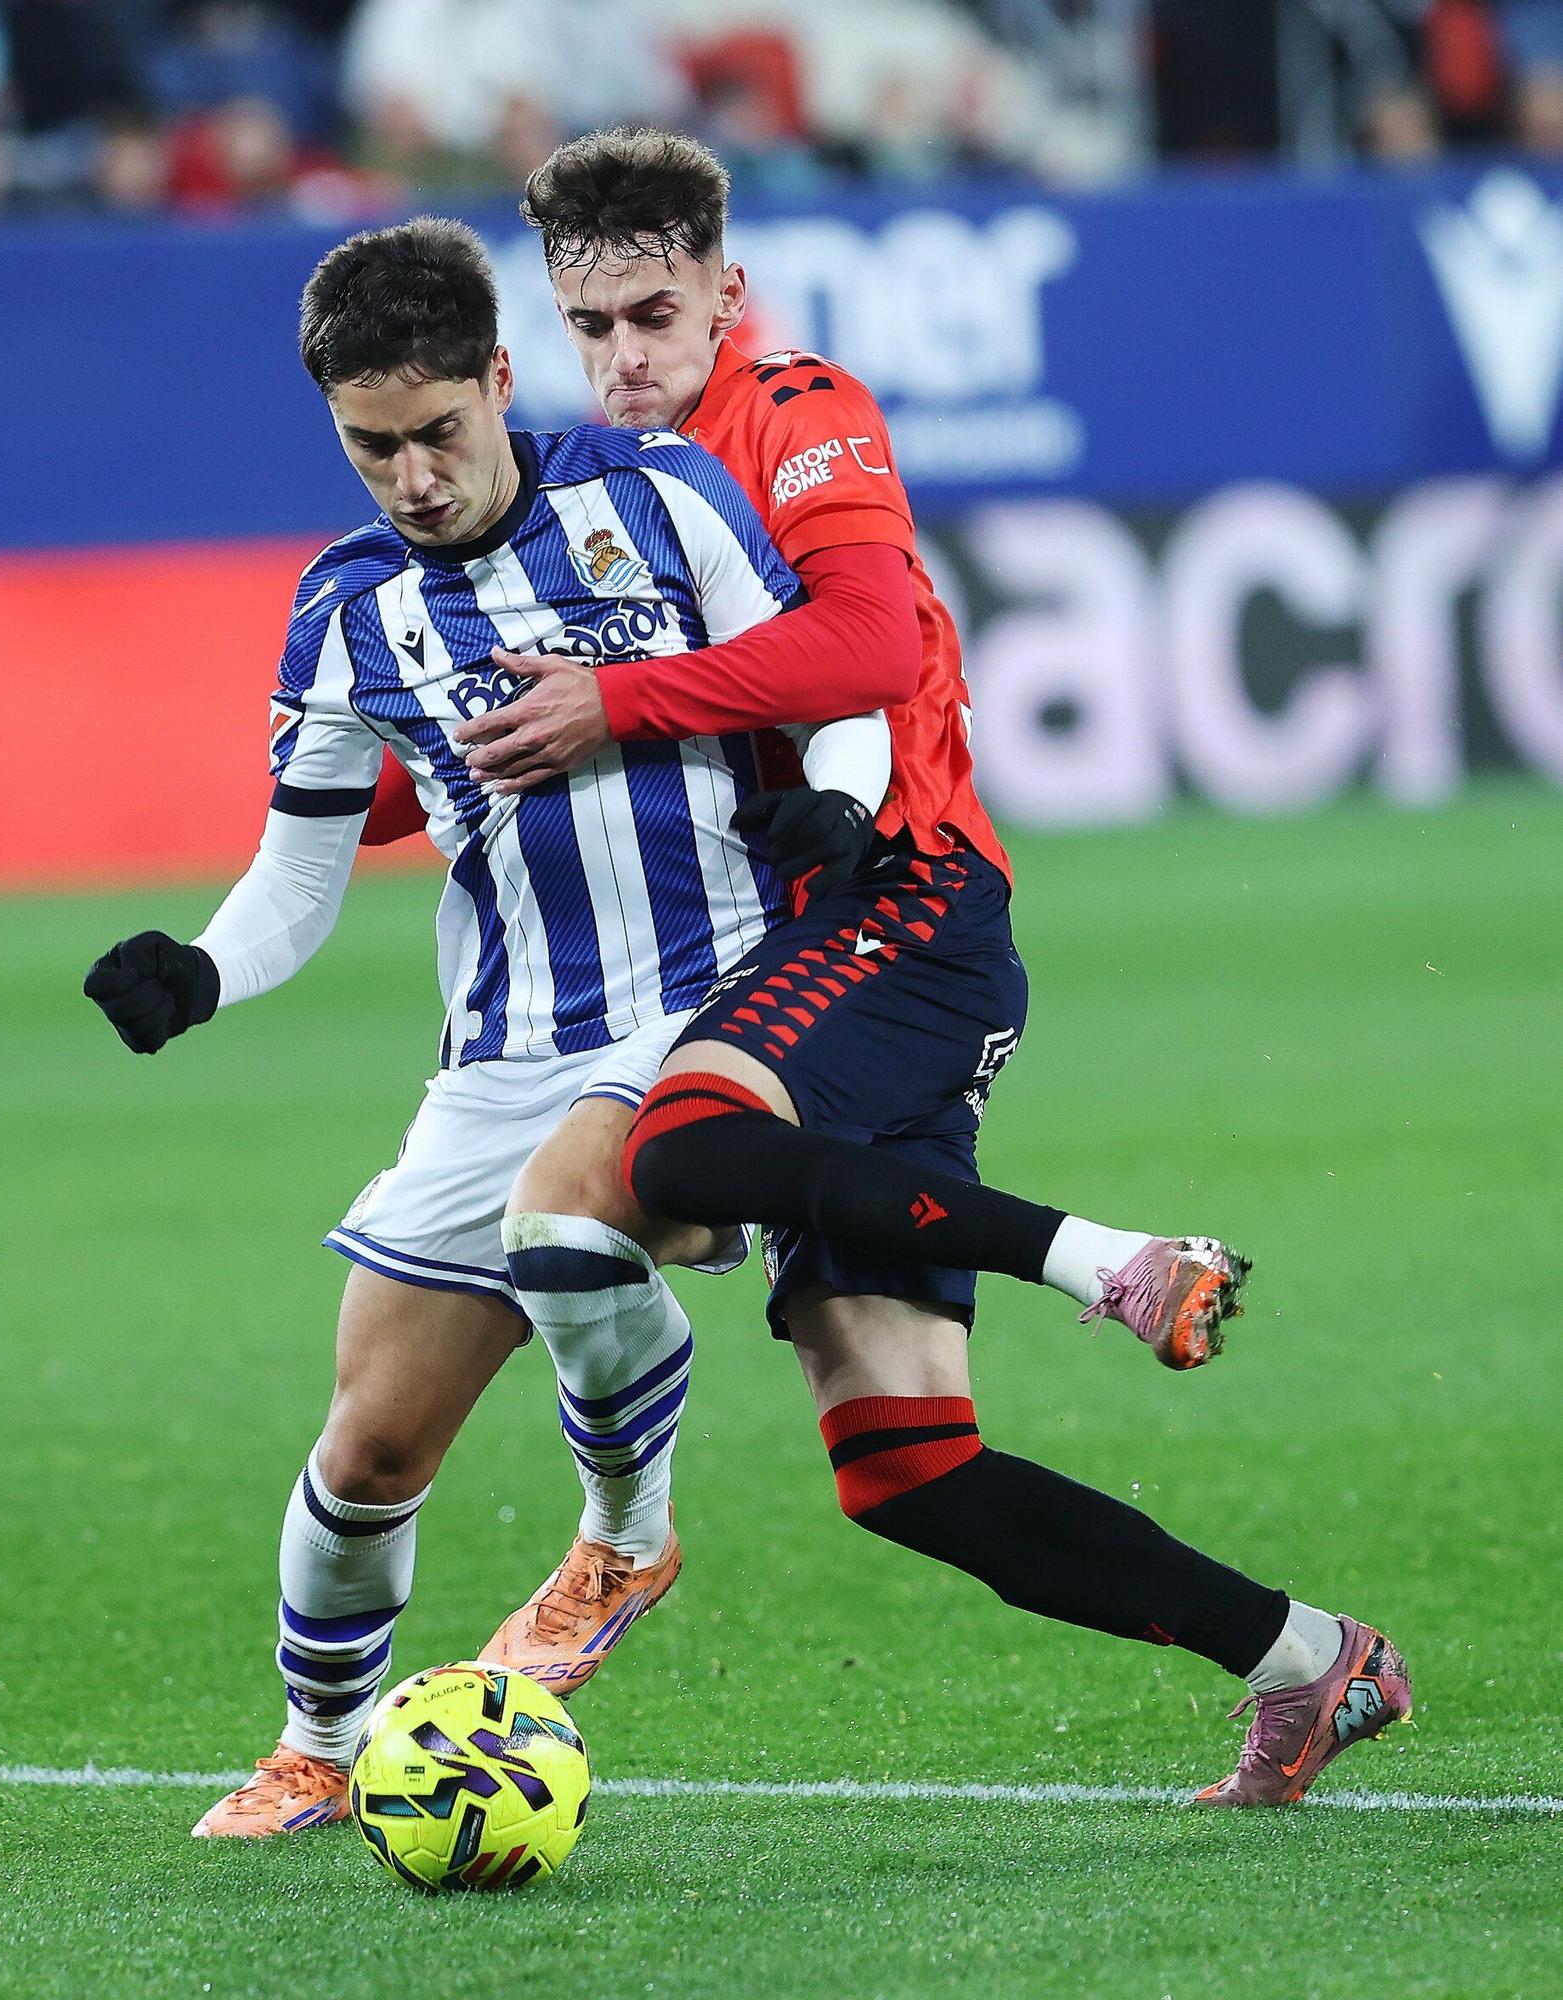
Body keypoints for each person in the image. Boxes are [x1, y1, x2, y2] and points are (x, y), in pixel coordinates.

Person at [444, 128, 1411, 1806]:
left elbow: (873, 641)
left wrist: (752, 762)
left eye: (655, 316)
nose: (627, 360)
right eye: (591, 328)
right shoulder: (595, 483)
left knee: (670, 1149)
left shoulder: (796, 409)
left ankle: (1113, 1261)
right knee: (909, 1471)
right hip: (805, 939)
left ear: (724, 292)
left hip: (905, 906)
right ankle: (1312, 1663)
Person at [82, 214, 891, 1836]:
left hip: (720, 1002)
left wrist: (844, 813)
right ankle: (322, 1738)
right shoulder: (343, 614)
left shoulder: (654, 497)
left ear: (497, 382)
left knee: (568, 1233)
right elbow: (297, 883)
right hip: (505, 1044)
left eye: (438, 433)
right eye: (370, 447)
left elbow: (832, 688)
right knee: (369, 1447)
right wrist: (203, 970)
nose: (413, 478)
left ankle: (623, 1534)